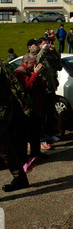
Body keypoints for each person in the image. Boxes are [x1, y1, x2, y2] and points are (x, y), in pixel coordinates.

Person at [0, 59, 30, 192]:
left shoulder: (2, 65)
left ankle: (20, 178)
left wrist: (25, 107)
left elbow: (15, 86)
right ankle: (20, 178)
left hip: (2, 111)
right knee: (4, 147)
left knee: (5, 146)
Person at [15, 53, 47, 163]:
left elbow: (43, 85)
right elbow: (28, 86)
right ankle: (24, 158)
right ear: (26, 62)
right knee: (25, 135)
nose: (36, 64)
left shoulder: (31, 71)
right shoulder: (19, 72)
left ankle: (36, 153)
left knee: (35, 132)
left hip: (36, 106)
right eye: (33, 62)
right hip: (27, 108)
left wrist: (38, 75)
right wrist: (35, 74)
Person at [35, 38, 62, 146]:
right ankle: (43, 135)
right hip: (43, 89)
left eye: (47, 43)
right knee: (44, 114)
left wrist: (54, 51)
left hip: (51, 87)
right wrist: (42, 50)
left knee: (51, 113)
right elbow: (37, 60)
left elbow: (58, 64)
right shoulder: (37, 55)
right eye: (44, 43)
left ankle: (50, 133)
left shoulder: (48, 55)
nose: (46, 45)